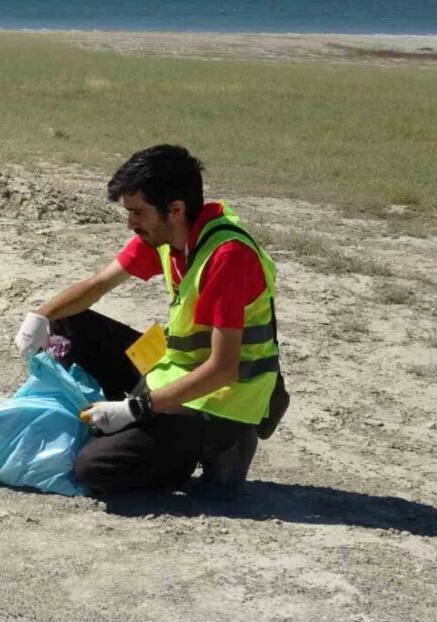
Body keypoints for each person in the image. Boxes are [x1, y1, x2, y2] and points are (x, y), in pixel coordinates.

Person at [14, 144, 284, 499]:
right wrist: (41, 315)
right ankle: (133, 430)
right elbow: (97, 285)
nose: (130, 223)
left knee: (93, 468)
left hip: (221, 400)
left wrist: (135, 408)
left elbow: (223, 370)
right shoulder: (168, 236)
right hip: (178, 370)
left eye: (137, 212)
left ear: (175, 209)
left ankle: (224, 444)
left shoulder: (228, 257)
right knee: (70, 322)